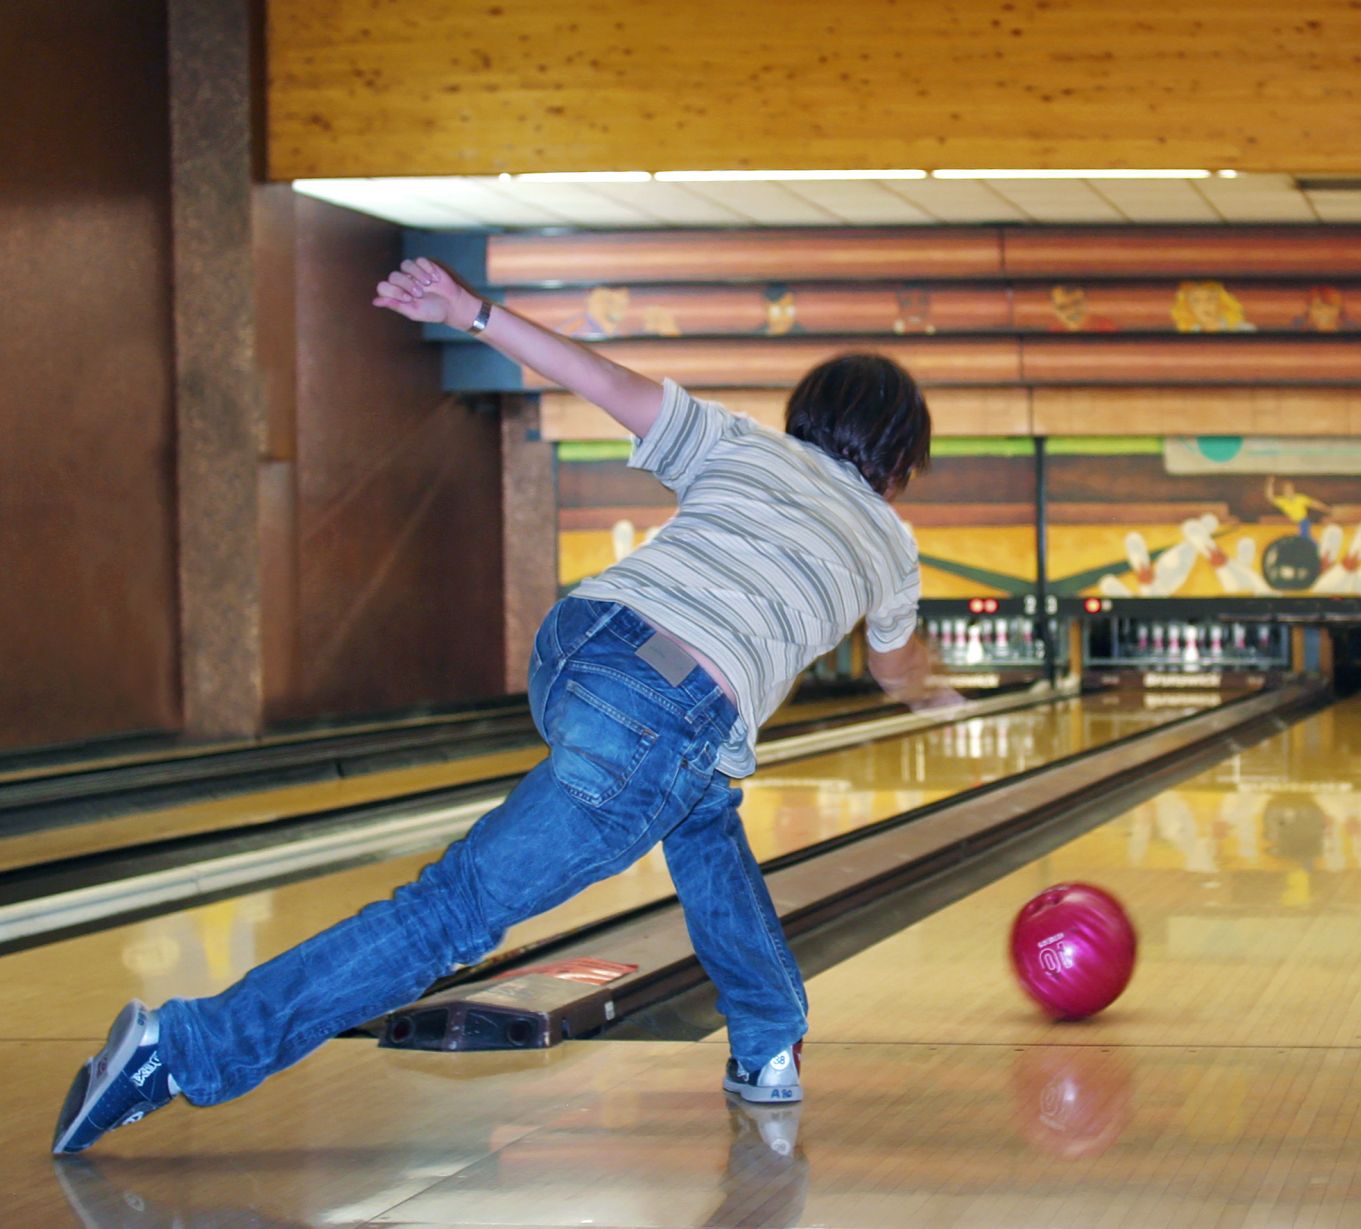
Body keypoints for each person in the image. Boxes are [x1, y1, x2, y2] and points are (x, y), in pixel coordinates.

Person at [52, 257, 954, 1154]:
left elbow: (600, 378)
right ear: (898, 461)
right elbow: (893, 667)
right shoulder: (890, 542)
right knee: (450, 911)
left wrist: (469, 311)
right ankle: (183, 1048)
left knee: (704, 814)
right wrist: (931, 688)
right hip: (664, 715)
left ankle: (767, 1040)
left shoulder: (743, 443)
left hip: (582, 638)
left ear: (809, 417)